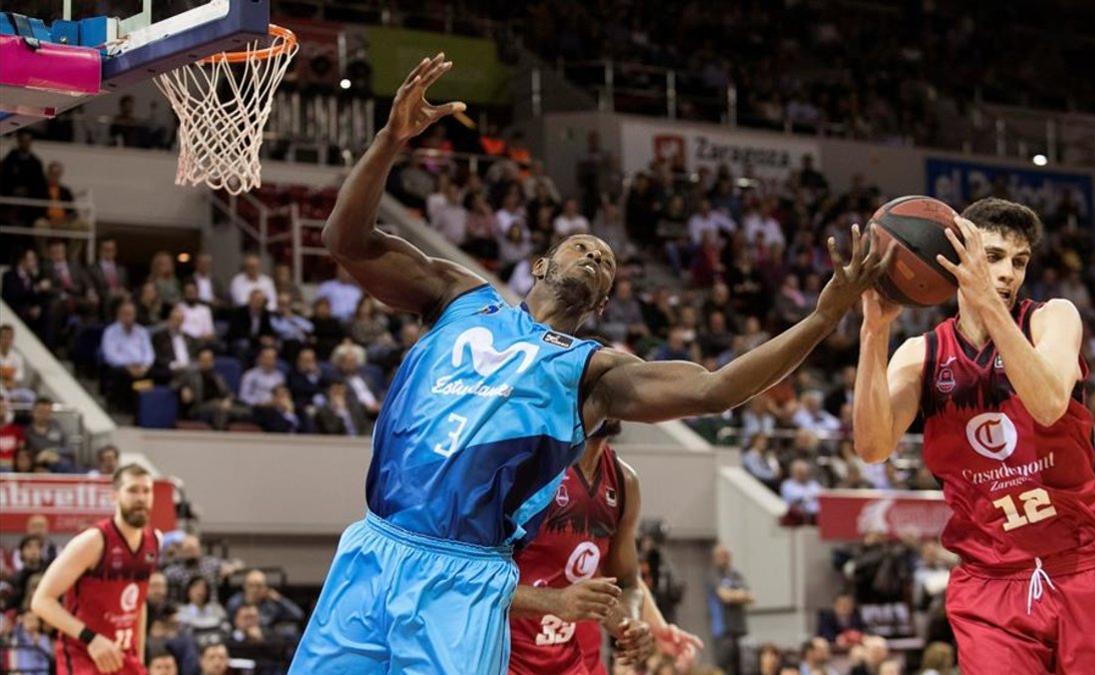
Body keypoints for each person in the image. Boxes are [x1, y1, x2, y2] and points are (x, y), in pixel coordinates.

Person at [290, 53, 888, 674]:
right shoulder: (462, 297)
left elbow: (716, 390)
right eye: (582, 247)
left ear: (602, 304)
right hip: (374, 542)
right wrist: (390, 142)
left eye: (606, 261)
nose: (596, 256)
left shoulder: (594, 372)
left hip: (464, 574)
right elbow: (345, 241)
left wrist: (822, 319)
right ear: (542, 265)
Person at [851, 197, 1095, 672]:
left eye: (1019, 261)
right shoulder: (921, 354)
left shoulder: (1052, 318)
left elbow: (1047, 405)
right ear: (955, 256)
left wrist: (987, 303)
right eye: (993, 256)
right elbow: (872, 446)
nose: (1007, 273)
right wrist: (873, 332)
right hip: (989, 583)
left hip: (1083, 568)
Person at [508, 420, 702, 673]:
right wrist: (555, 601)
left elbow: (625, 580)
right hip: (511, 658)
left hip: (578, 657)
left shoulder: (623, 480)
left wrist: (637, 623)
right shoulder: (528, 466)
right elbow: (473, 582)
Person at [31, 464, 162, 674]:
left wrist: (138, 657)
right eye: (132, 490)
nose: (141, 498)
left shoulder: (155, 540)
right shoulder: (93, 541)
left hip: (122, 655)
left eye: (146, 491)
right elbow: (41, 601)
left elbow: (139, 603)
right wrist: (91, 639)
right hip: (83, 653)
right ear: (114, 496)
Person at [707, 544, 753, 675]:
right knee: (723, 668)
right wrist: (739, 594)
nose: (724, 558)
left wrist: (734, 595)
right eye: (721, 555)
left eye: (726, 555)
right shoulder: (713, 575)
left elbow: (751, 596)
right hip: (722, 630)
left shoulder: (736, 574)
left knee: (740, 668)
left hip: (739, 630)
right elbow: (724, 596)